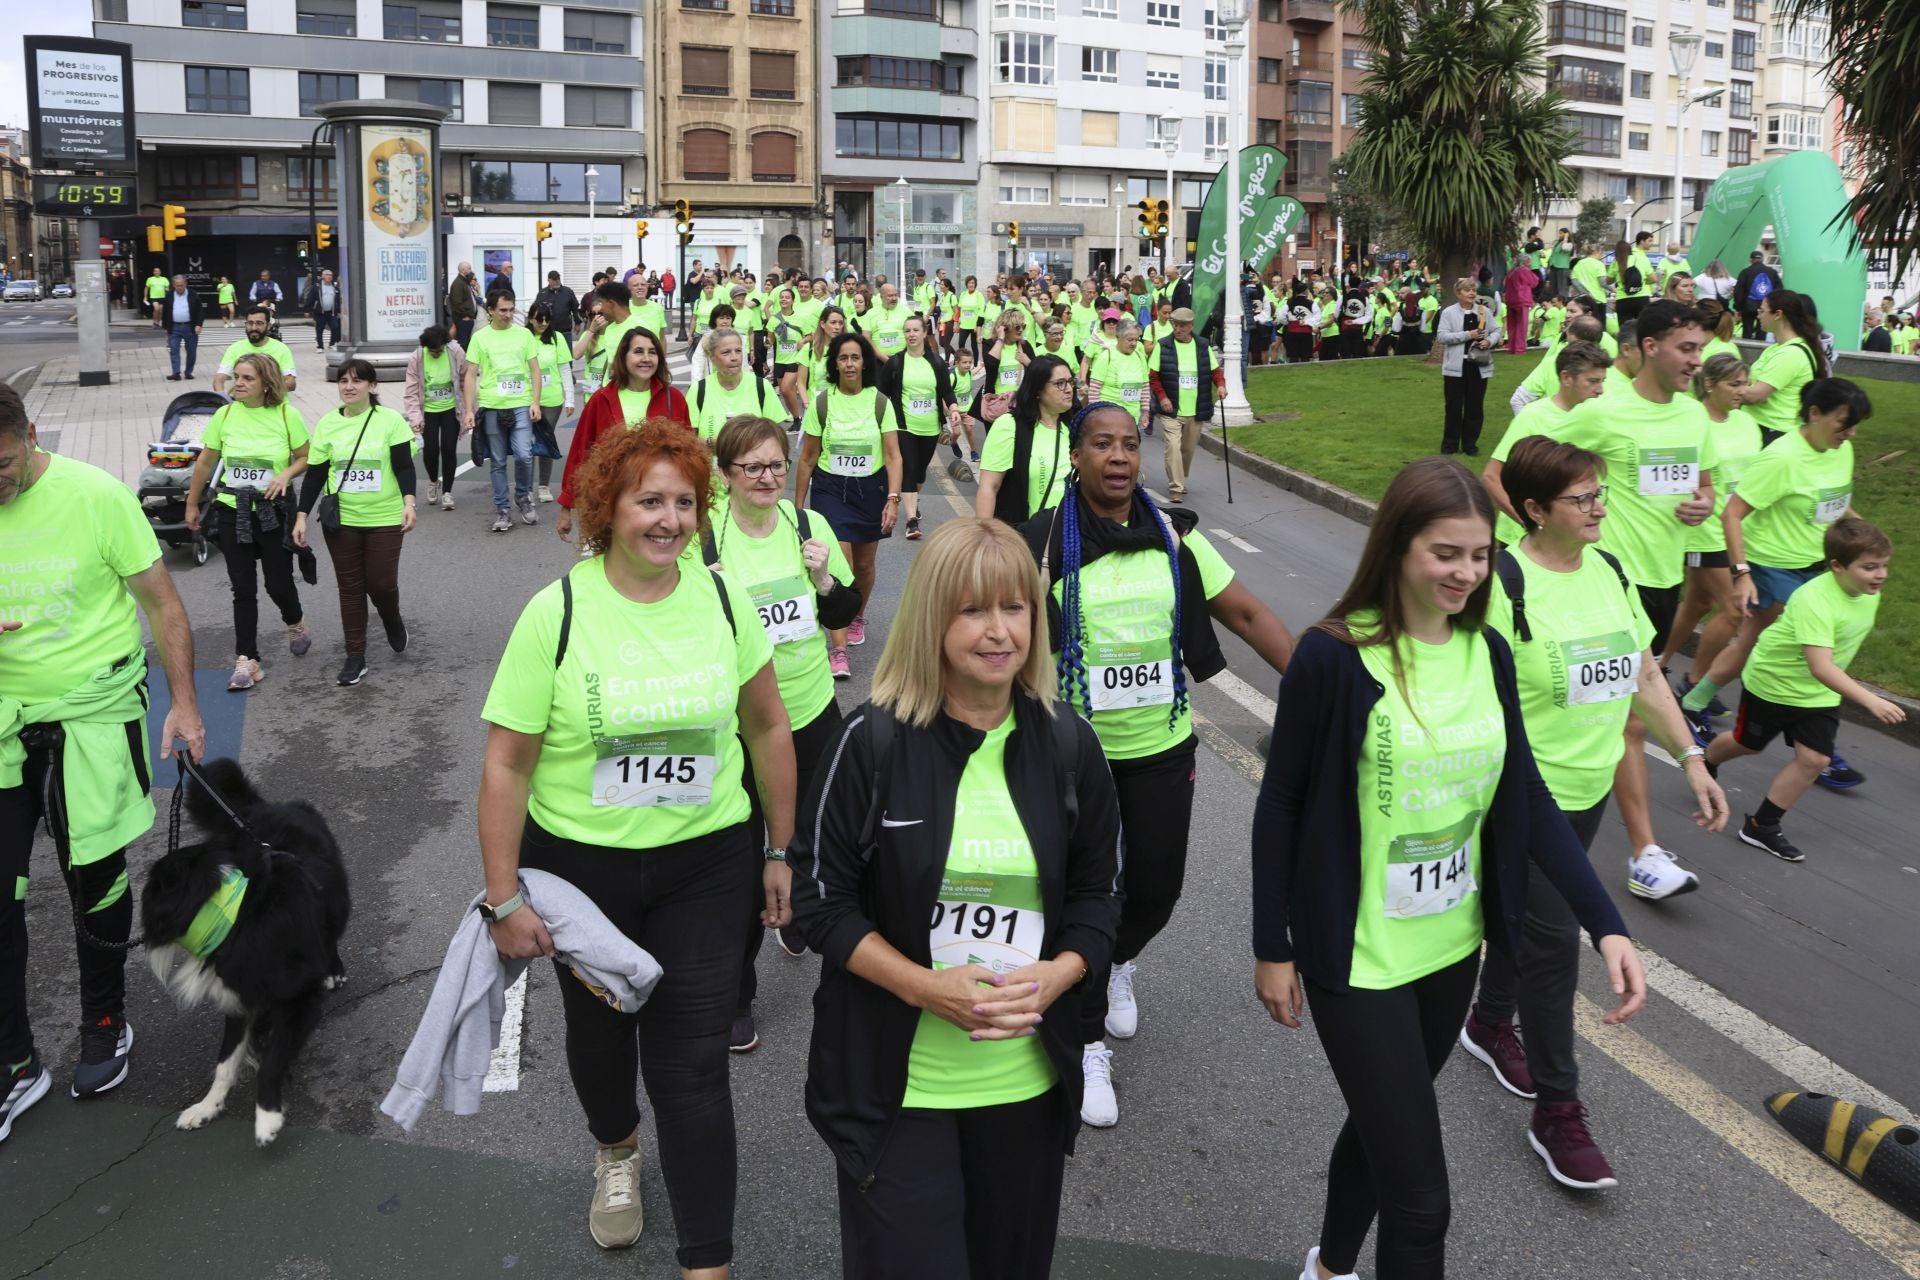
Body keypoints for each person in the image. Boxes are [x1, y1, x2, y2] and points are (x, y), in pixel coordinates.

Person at [1251, 456, 1646, 1280]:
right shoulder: (1335, 658)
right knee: (1423, 1201)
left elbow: (1528, 800)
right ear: (1397, 548)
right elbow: (1281, 803)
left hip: (1447, 949)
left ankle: (1328, 1268)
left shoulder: (1488, 654)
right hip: (1355, 959)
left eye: (1479, 554)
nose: (1467, 572)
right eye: (1446, 553)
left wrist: (1605, 922)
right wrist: (1272, 944)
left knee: (1378, 1124)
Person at [479, 420, 794, 1275]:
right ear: (607, 509)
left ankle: (707, 1263)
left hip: (707, 862)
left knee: (691, 1067)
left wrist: (781, 850)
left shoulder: (723, 600)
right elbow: (507, 762)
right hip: (584, 872)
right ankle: (616, 1151)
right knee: (603, 1038)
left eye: (685, 502)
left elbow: (768, 726)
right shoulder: (560, 610)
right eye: (648, 500)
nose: (669, 519)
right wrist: (503, 897)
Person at [788, 516, 1122, 1280]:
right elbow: (820, 901)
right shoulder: (870, 742)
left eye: (1016, 608)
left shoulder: (1070, 745)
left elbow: (1103, 897)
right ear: (932, 619)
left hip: (1026, 1087)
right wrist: (925, 989)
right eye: (973, 610)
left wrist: (1061, 972)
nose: (999, 631)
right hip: (900, 1093)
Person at [1023, 402, 1294, 1128]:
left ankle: (1113, 962)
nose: (1118, 457)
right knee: (1080, 895)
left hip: (1161, 750)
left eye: (1126, 445)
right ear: (1074, 455)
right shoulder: (1045, 542)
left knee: (1155, 891)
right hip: (1072, 759)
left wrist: (1319, 689)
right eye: (1100, 445)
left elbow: (1245, 614)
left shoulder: (1172, 536)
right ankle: (1082, 1043)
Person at [1463, 436, 1724, 1191]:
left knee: (1525, 927)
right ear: (1534, 508)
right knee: (1555, 949)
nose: (1600, 507)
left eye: (1600, 493)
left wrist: (1693, 758)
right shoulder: (1503, 583)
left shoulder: (1609, 571)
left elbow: (1643, 670)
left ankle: (1486, 1022)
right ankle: (1559, 1109)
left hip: (1588, 795)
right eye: (1582, 498)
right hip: (1522, 803)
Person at [0, 382, 206, 1139]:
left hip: (93, 709)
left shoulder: (96, 497)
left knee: (95, 872)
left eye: (3, 462)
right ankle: (14, 1062)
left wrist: (185, 704)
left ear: (31, 434)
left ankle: (104, 1019)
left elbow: (161, 604)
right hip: (3, 721)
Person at [705, 416, 861, 1052]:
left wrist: (825, 578)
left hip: (813, 711)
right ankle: (737, 992)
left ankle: (795, 906)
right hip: (741, 727)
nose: (768, 478)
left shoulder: (808, 526)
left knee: (811, 843)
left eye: (776, 465)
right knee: (744, 861)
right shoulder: (706, 542)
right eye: (752, 468)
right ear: (725, 477)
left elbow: (845, 614)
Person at [1554, 300, 1717, 901]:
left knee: (1619, 710)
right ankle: (1643, 853)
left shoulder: (1695, 417)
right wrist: (1563, 524)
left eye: (1700, 350)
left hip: (1662, 580)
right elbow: (1528, 459)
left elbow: (1703, 485)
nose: (1696, 361)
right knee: (1625, 716)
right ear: (1650, 347)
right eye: (1686, 349)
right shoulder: (1606, 410)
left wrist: (1702, 503)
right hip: (1607, 579)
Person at [1682, 379, 1867, 773]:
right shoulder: (1782, 457)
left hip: (1819, 567)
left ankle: (1695, 702)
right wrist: (1743, 573)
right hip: (1773, 566)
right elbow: (1733, 513)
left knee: (1756, 641)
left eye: (1854, 426)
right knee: (1807, 652)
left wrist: (1865, 534)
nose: (1850, 434)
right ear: (1814, 414)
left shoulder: (1841, 450)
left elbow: (1835, 499)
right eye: (1843, 424)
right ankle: (1814, 744)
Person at [1701, 518, 1902, 861]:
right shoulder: (1814, 600)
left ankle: (1761, 827)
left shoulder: (1869, 593)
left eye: (1883, 566)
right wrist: (1870, 699)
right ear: (1837, 566)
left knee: (1815, 759)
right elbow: (1820, 665)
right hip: (1772, 685)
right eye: (1869, 567)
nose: (1880, 575)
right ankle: (1704, 764)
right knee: (1747, 744)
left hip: (1817, 693)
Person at [183, 354, 314, 691]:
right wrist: (192, 502)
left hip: (274, 511)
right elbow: (205, 462)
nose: (236, 384)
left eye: (246, 379)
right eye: (236, 377)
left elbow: (306, 456)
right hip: (232, 510)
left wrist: (286, 472)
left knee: (277, 584)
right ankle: (247, 659)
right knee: (243, 588)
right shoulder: (224, 414)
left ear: (266, 383)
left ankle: (295, 620)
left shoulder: (287, 415)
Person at [292, 359, 417, 686]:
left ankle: (391, 619)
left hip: (385, 517)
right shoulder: (327, 425)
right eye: (343, 380)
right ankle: (355, 656)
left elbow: (404, 467)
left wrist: (409, 502)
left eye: (357, 381)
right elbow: (316, 474)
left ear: (371, 386)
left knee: (381, 584)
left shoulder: (389, 421)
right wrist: (302, 515)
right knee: (350, 588)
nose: (349, 386)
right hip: (342, 520)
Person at [793, 333, 903, 680]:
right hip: (830, 489)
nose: (850, 364)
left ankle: (855, 614)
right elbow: (808, 458)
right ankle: (838, 649)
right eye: (844, 358)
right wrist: (797, 510)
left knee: (866, 565)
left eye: (856, 358)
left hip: (870, 489)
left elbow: (893, 456)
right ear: (835, 363)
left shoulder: (880, 402)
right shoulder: (823, 402)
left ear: (864, 363)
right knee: (840, 562)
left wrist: (893, 499)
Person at [1661, 354, 1765, 691]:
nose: (1742, 391)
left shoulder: (1746, 422)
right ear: (1709, 384)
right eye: (1734, 384)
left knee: (1697, 602)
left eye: (1745, 384)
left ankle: (1658, 665)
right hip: (1703, 532)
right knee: (1734, 609)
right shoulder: (1690, 422)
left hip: (1737, 529)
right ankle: (1694, 682)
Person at [558, 326, 690, 543]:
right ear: (623, 356)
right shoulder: (601, 399)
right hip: (612, 502)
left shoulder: (673, 398)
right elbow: (580, 454)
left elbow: (688, 457)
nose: (646, 358)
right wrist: (567, 506)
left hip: (662, 505)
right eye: (638, 351)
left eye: (652, 352)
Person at [1482, 340, 1612, 547]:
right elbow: (1491, 476)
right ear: (1566, 378)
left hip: (1568, 540)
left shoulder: (1600, 419)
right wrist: (1529, 522)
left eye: (1603, 381)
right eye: (1593, 381)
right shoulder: (1534, 416)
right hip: (1521, 540)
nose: (1601, 390)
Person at [461, 291, 545, 534]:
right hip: (491, 406)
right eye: (503, 310)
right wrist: (468, 409)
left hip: (520, 403)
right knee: (497, 461)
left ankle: (523, 497)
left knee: (524, 454)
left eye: (511, 309)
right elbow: (470, 374)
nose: (509, 315)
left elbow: (535, 371)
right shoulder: (480, 338)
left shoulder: (524, 334)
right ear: (490, 311)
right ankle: (503, 509)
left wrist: (535, 402)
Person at [881, 315, 962, 541]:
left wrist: (954, 409)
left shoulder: (936, 362)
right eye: (907, 330)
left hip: (930, 427)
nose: (912, 334)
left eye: (916, 330)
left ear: (924, 333)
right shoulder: (896, 362)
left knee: (919, 472)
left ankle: (912, 500)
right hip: (904, 426)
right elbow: (881, 393)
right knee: (908, 468)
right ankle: (910, 520)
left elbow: (947, 391)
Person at [977, 356, 1077, 528]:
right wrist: (984, 538)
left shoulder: (1075, 427)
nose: (1068, 389)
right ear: (1037, 390)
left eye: (1070, 382)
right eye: (1060, 383)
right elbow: (989, 487)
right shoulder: (1009, 426)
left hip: (1068, 539)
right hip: (1022, 538)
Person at [1146, 307, 1223, 504]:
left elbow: (1215, 371)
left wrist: (1221, 386)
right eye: (1175, 325)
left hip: (1195, 409)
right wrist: (1162, 397)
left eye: (1182, 325)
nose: (1178, 329)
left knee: (1187, 450)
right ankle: (1176, 487)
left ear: (1191, 326)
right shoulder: (1163, 346)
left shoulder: (1202, 345)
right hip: (1171, 409)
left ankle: (1180, 477)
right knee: (1173, 446)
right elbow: (1153, 377)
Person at [1737, 289, 1829, 439]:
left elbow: (1755, 395)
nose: (1758, 315)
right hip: (1762, 427)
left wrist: (1722, 388)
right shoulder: (1778, 348)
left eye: (1762, 311)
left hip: (1773, 431)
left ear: (1778, 315)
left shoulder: (1791, 354)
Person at [402, 325, 471, 513]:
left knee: (449, 448)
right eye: (431, 351)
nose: (435, 353)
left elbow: (466, 380)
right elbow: (411, 390)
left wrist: (468, 411)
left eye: (438, 350)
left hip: (450, 409)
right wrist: (415, 418)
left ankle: (447, 491)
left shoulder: (455, 351)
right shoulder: (417, 357)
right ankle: (433, 481)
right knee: (430, 450)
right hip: (429, 411)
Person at [1436, 277, 1504, 456]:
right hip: (1455, 368)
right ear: (1458, 293)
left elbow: (1497, 330)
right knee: (1453, 407)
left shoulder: (1484, 311)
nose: (1472, 293)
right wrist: (1468, 335)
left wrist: (1489, 341)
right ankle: (1449, 445)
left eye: (1473, 289)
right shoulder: (1448, 313)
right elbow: (1442, 336)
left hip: (1478, 366)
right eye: (1467, 290)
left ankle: (1470, 445)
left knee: (1475, 407)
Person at [691, 329, 779, 443]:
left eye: (738, 351)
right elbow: (688, 442)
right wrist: (712, 443)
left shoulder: (762, 386)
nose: (734, 357)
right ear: (712, 357)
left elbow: (776, 438)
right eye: (726, 352)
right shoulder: (698, 390)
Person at [526, 302, 575, 504]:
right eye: (539, 319)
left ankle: (543, 485)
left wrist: (570, 399)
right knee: (526, 442)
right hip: (527, 398)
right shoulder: (523, 338)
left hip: (552, 398)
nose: (543, 323)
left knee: (545, 440)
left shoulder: (557, 338)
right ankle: (525, 487)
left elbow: (565, 369)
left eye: (547, 319)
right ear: (530, 319)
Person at [1084, 317, 1153, 428]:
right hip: (1108, 418)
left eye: (1136, 339)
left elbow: (1145, 388)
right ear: (1118, 337)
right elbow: (1094, 390)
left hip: (1132, 418)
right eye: (1130, 340)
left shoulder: (1140, 357)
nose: (1134, 343)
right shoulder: (1106, 356)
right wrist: (1095, 415)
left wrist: (1145, 412)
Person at [573, 280, 639, 395]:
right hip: (593, 390)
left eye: (600, 313)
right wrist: (591, 330)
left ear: (611, 304)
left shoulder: (630, 328)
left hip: (618, 391)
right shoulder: (591, 334)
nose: (597, 318)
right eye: (593, 314)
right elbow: (576, 355)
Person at [214, 306, 297, 396]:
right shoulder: (234, 348)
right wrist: (223, 398)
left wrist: (261, 392)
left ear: (268, 326)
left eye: (259, 323)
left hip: (273, 405)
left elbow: (291, 383)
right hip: (241, 405)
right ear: (245, 324)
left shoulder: (281, 349)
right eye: (250, 323)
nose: (254, 328)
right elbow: (219, 378)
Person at [162, 274, 205, 382]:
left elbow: (200, 311)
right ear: (173, 285)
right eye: (177, 286)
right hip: (174, 327)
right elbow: (165, 311)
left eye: (181, 285)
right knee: (174, 349)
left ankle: (188, 372)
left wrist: (199, 324)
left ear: (185, 284)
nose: (179, 288)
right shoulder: (169, 295)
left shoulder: (193, 294)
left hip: (190, 326)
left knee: (191, 351)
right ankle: (176, 372)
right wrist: (166, 327)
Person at [1732, 250, 1783, 340]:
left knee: (1747, 331)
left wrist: (1738, 307)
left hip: (1748, 307)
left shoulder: (1745, 272)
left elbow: (1738, 291)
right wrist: (1773, 306)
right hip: (1766, 307)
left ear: (1751, 260)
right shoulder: (1772, 272)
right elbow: (1779, 290)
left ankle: (1746, 351)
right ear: (1762, 259)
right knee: (1762, 330)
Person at [1612, 233, 1655, 327]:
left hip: (1623, 299)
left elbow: (1608, 280)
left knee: (1625, 330)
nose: (1653, 243)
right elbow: (1654, 279)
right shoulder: (1642, 258)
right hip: (1641, 297)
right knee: (1643, 329)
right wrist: (1644, 282)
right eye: (1650, 240)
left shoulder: (1616, 261)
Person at [1502, 255, 1536, 356]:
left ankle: (1511, 348)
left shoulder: (1511, 272)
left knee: (1512, 325)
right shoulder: (1524, 270)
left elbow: (1505, 284)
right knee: (1521, 326)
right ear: (1526, 262)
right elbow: (1534, 282)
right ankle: (1519, 349)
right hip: (1521, 299)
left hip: (1510, 300)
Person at [304, 268, 344, 351]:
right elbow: (310, 298)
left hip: (332, 312)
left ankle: (332, 343)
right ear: (323, 276)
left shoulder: (334, 286)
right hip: (320, 312)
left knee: (335, 327)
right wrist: (307, 310)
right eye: (327, 275)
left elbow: (338, 300)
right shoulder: (316, 287)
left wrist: (339, 311)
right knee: (320, 329)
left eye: (331, 275)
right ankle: (320, 346)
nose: (329, 277)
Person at [534, 270, 583, 337]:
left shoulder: (568, 292)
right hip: (548, 330)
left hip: (565, 330)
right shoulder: (542, 293)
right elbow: (536, 310)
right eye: (554, 280)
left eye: (558, 279)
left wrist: (577, 323)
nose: (557, 281)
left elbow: (575, 309)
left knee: (566, 347)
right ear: (549, 280)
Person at [446, 263, 480, 346]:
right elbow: (457, 303)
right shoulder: (458, 283)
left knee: (466, 341)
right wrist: (466, 315)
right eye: (469, 268)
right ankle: (461, 358)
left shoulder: (464, 282)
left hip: (468, 318)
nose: (470, 270)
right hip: (464, 319)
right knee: (463, 342)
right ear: (463, 270)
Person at [1569, 243, 1608, 313]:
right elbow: (1603, 282)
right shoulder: (1599, 264)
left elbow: (1574, 281)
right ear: (1598, 252)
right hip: (1598, 299)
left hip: (1584, 301)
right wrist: (1613, 289)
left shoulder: (1579, 264)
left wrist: (1586, 293)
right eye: (1601, 253)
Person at [1546, 229, 1574, 300]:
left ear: (1566, 234)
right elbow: (1553, 255)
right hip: (1554, 267)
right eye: (1559, 233)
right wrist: (1549, 266)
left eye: (1561, 233)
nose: (1559, 235)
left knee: (1562, 289)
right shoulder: (1557, 243)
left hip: (1562, 268)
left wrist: (1566, 238)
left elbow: (1564, 248)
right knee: (1553, 288)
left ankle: (1563, 303)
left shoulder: (1569, 244)